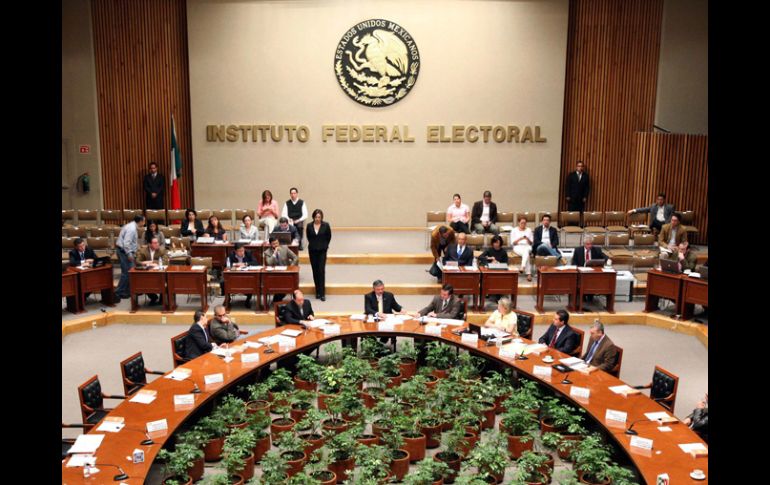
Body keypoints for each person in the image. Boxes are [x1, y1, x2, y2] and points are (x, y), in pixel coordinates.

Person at [114, 215, 146, 300]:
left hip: (124, 251)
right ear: (140, 221)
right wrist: (129, 254)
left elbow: (132, 242)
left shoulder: (131, 226)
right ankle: (118, 292)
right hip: (124, 252)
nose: (144, 223)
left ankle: (127, 291)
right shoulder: (131, 229)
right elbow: (126, 243)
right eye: (144, 221)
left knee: (130, 272)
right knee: (127, 272)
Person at [265, 236, 300, 303]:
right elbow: (269, 263)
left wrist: (290, 267)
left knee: (291, 285)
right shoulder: (267, 252)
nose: (276, 245)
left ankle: (277, 300)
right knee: (281, 287)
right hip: (275, 275)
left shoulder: (285, 248)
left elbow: (295, 258)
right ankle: (277, 300)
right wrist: (274, 253)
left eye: (277, 243)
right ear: (270, 244)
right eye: (274, 244)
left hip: (286, 272)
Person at [306, 209, 331, 301]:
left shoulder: (326, 225)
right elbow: (308, 237)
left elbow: (329, 237)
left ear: (321, 217)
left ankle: (322, 293)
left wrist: (324, 245)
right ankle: (317, 291)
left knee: (321, 270)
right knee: (315, 271)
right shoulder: (309, 226)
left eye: (319, 217)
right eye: (316, 217)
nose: (317, 219)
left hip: (322, 251)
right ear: (313, 217)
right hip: (312, 251)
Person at [136, 237, 169, 305]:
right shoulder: (143, 250)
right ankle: (153, 297)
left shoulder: (162, 250)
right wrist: (151, 263)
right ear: (149, 244)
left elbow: (165, 262)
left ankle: (162, 298)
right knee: (143, 281)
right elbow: (137, 262)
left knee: (166, 279)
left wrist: (151, 262)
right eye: (155, 243)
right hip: (147, 273)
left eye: (158, 242)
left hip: (160, 273)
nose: (157, 244)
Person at [510, 216, 534, 281]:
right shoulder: (514, 230)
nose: (523, 224)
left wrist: (527, 239)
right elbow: (513, 243)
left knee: (526, 250)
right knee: (526, 254)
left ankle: (522, 267)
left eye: (525, 223)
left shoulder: (529, 230)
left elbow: (531, 243)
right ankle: (528, 274)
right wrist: (520, 239)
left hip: (527, 246)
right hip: (517, 246)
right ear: (518, 223)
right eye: (522, 223)